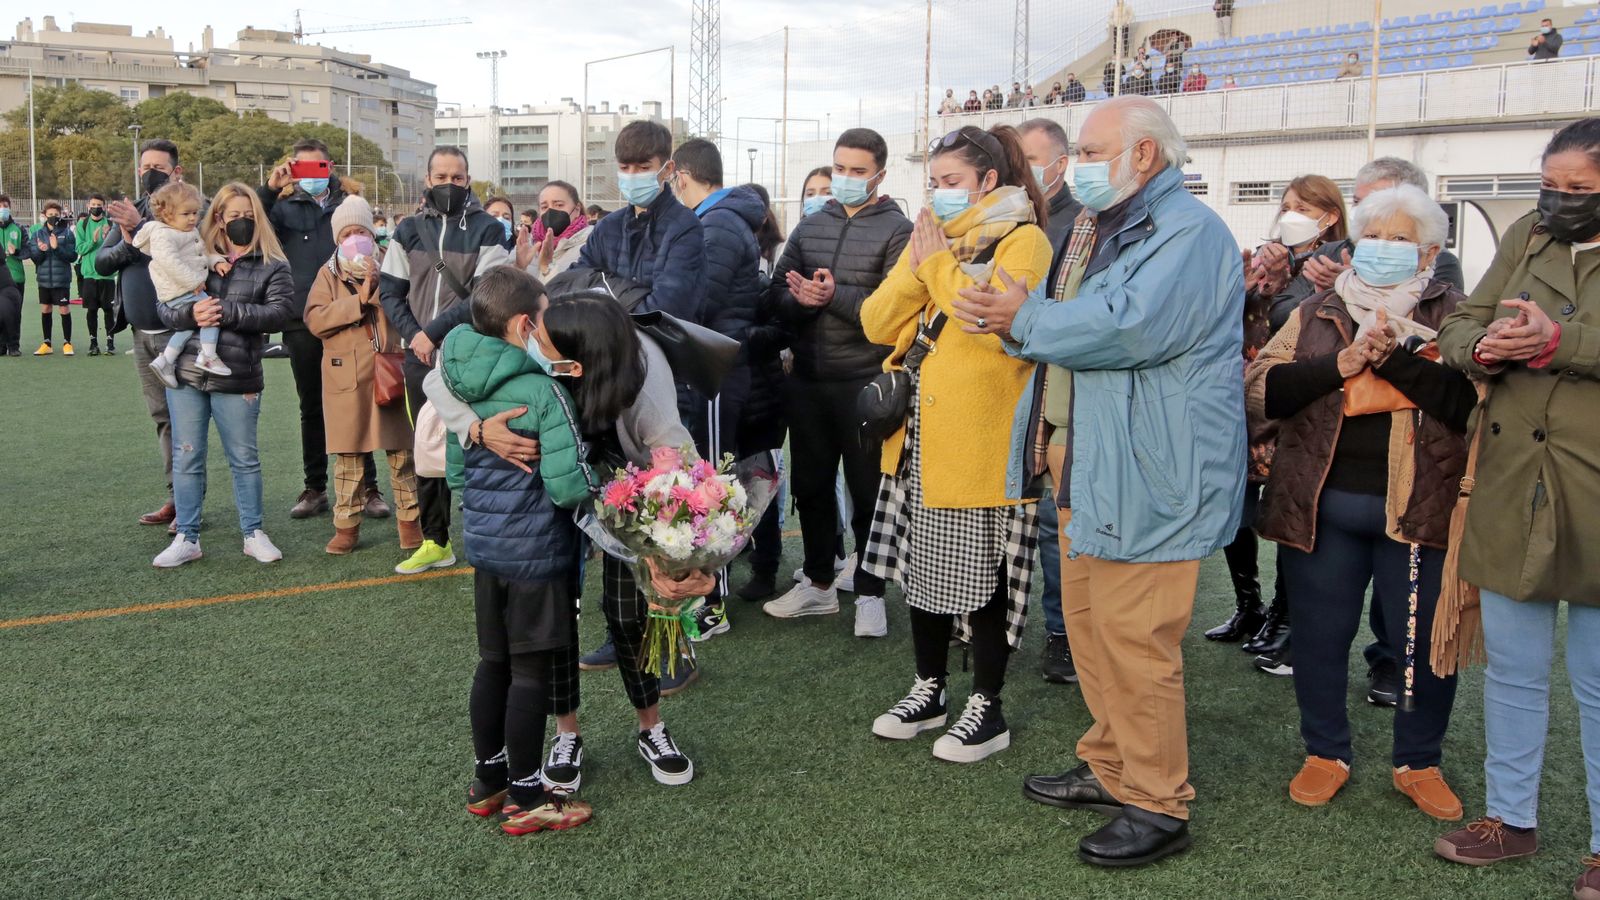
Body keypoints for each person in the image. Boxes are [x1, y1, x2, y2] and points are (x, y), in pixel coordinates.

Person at [956, 97, 1245, 866]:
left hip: (1149, 469)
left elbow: (1128, 327)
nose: (1074, 165)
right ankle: (1113, 764)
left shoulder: (1190, 233)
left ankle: (1157, 803)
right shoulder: (1099, 225)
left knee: (1134, 640)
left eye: (1089, 150)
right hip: (1089, 458)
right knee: (1089, 628)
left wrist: (1022, 317)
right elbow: (1076, 320)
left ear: (1143, 156)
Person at [1247, 184, 1473, 820]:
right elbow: (1264, 391)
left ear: (1429, 251)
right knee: (1320, 637)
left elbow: (1467, 407)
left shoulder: (1456, 315)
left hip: (1416, 510)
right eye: (1374, 235)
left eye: (1400, 239)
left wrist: (1395, 364)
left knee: (1420, 642)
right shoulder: (1318, 310)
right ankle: (1325, 752)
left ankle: (1418, 760)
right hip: (1320, 507)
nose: (1383, 248)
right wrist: (1340, 364)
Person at [425, 288, 707, 791]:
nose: (532, 343)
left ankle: (652, 727)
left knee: (628, 614)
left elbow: (682, 489)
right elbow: (436, 380)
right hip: (557, 492)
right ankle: (566, 734)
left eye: (546, 344)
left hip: (629, 485)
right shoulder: (544, 354)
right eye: (536, 330)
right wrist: (475, 429)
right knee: (559, 622)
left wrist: (671, 559)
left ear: (578, 366)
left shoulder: (646, 394)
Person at [1432, 118, 1600, 900]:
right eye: (1551, 186)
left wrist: (1552, 339)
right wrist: (1482, 345)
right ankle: (1509, 819)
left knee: (1598, 683)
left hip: (1592, 484)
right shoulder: (1529, 232)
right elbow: (1464, 316)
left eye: (1578, 191)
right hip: (1511, 477)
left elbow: (1566, 338)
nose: (1558, 203)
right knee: (1513, 670)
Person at [861, 124, 1052, 763]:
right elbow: (875, 320)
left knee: (985, 580)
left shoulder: (1024, 240)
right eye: (935, 183)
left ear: (988, 181)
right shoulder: (941, 243)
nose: (939, 194)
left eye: (952, 183)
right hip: (919, 440)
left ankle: (988, 705)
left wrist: (934, 262)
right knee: (924, 575)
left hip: (983, 445)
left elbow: (986, 320)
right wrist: (922, 268)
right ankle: (931, 688)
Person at [443, 267, 600, 834]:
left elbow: (457, 473)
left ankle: (488, 779)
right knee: (531, 673)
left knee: (494, 664)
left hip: (487, 551)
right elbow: (567, 486)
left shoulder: (461, 382)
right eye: (545, 315)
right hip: (537, 554)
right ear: (524, 324)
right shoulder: (542, 390)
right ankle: (527, 793)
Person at [768, 128, 911, 637]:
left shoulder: (899, 230)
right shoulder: (812, 226)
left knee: (868, 492)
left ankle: (871, 591)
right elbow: (775, 294)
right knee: (809, 487)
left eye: (857, 171)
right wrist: (797, 300)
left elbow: (896, 311)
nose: (845, 180)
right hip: (807, 379)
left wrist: (834, 299)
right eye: (840, 169)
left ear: (879, 175)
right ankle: (820, 583)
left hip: (865, 382)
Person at [1219, 176, 1351, 670]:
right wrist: (1255, 279)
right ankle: (1249, 606)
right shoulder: (1271, 260)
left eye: (1302, 206)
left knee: (1288, 512)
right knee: (1237, 510)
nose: (1289, 213)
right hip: (1247, 397)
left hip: (1295, 404)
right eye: (1286, 204)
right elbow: (1239, 316)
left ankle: (1284, 615)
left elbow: (1306, 320)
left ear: (1330, 215)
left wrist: (1294, 273)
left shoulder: (1335, 263)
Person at [379, 145, 511, 577]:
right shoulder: (407, 230)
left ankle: (489, 535)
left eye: (457, 177)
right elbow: (390, 291)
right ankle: (436, 540)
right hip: (419, 358)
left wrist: (431, 334)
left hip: (471, 355)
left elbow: (485, 295)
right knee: (428, 449)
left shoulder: (490, 229)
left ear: (468, 180)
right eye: (442, 177)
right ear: (428, 181)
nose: (449, 185)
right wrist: (414, 336)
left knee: (482, 442)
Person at [149, 182, 295, 568]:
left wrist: (225, 312)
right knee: (187, 457)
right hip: (187, 374)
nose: (241, 222)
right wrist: (190, 315)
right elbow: (164, 309)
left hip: (238, 375)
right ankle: (187, 537)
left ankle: (253, 533)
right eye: (234, 216)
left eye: (249, 216)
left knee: (244, 459)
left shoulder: (274, 264)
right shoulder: (195, 256)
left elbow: (279, 314)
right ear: (219, 219)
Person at [667, 138, 769, 639]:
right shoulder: (718, 220)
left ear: (682, 176)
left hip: (713, 370)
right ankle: (708, 590)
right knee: (705, 476)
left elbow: (697, 300)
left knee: (711, 482)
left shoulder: (718, 223)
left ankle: (713, 600)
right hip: (708, 368)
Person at [259, 138, 387, 522]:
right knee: (311, 406)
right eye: (300, 167)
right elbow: (250, 225)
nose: (309, 176)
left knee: (359, 400)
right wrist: (269, 187)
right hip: (302, 318)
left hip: (354, 314)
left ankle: (369, 488)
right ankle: (315, 487)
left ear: (329, 166)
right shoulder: (281, 208)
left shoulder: (349, 205)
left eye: (316, 168)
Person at [302, 195, 422, 557]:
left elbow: (411, 308)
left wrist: (381, 289)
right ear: (337, 238)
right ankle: (346, 526)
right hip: (345, 376)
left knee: (402, 455)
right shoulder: (328, 273)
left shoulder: (392, 266)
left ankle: (410, 522)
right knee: (349, 458)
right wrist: (359, 301)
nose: (355, 238)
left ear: (373, 234)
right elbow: (315, 320)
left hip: (388, 372)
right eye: (348, 233)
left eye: (361, 231)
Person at [1018, 117, 1084, 685]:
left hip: (1055, 393)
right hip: (1004, 390)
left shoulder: (1083, 225)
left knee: (1053, 522)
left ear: (1060, 166)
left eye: (1031, 160)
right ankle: (994, 622)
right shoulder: (1006, 218)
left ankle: (1063, 633)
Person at [98, 139, 190, 530]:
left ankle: (189, 504)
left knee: (187, 419)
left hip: (181, 334)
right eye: (144, 167)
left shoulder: (189, 211)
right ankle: (175, 498)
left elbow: (187, 259)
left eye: (158, 166)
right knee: (162, 418)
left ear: (176, 172)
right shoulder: (130, 211)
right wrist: (129, 239)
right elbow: (102, 262)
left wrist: (141, 233)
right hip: (142, 336)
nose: (149, 173)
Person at [138, 182, 233, 387]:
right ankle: (208, 354)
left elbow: (200, 254)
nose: (192, 218)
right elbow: (170, 263)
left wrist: (215, 261)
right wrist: (195, 281)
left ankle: (166, 360)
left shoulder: (186, 232)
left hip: (183, 288)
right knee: (210, 314)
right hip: (179, 290)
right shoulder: (163, 234)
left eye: (195, 213)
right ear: (166, 213)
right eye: (186, 214)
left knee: (187, 328)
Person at [517, 181, 591, 280]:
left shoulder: (591, 245)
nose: (550, 211)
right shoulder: (529, 243)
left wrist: (546, 268)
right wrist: (518, 267)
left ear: (577, 209)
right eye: (544, 207)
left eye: (559, 205)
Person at [30, 200, 77, 356]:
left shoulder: (68, 233)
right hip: (44, 279)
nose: (53, 217)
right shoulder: (37, 234)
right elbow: (35, 258)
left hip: (61, 279)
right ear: (44, 215)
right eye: (50, 215)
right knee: (46, 308)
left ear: (60, 215)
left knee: (64, 309)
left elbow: (72, 256)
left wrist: (57, 248)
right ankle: (47, 343)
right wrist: (42, 250)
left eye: (56, 215)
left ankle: (67, 343)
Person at [73, 195, 117, 356]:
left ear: (104, 207)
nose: (96, 207)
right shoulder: (82, 224)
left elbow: (117, 248)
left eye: (99, 204)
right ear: (87, 205)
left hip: (107, 275)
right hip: (89, 275)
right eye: (93, 204)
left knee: (108, 310)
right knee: (91, 310)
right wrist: (93, 240)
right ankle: (93, 343)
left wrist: (106, 239)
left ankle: (110, 342)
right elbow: (79, 249)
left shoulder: (111, 224)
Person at [0, 194, 25, 356]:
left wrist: (16, 252)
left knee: (13, 313)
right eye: (0, 206)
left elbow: (29, 251)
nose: (3, 209)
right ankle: (1, 346)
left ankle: (13, 346)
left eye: (5, 206)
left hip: (15, 279)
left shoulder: (19, 229)